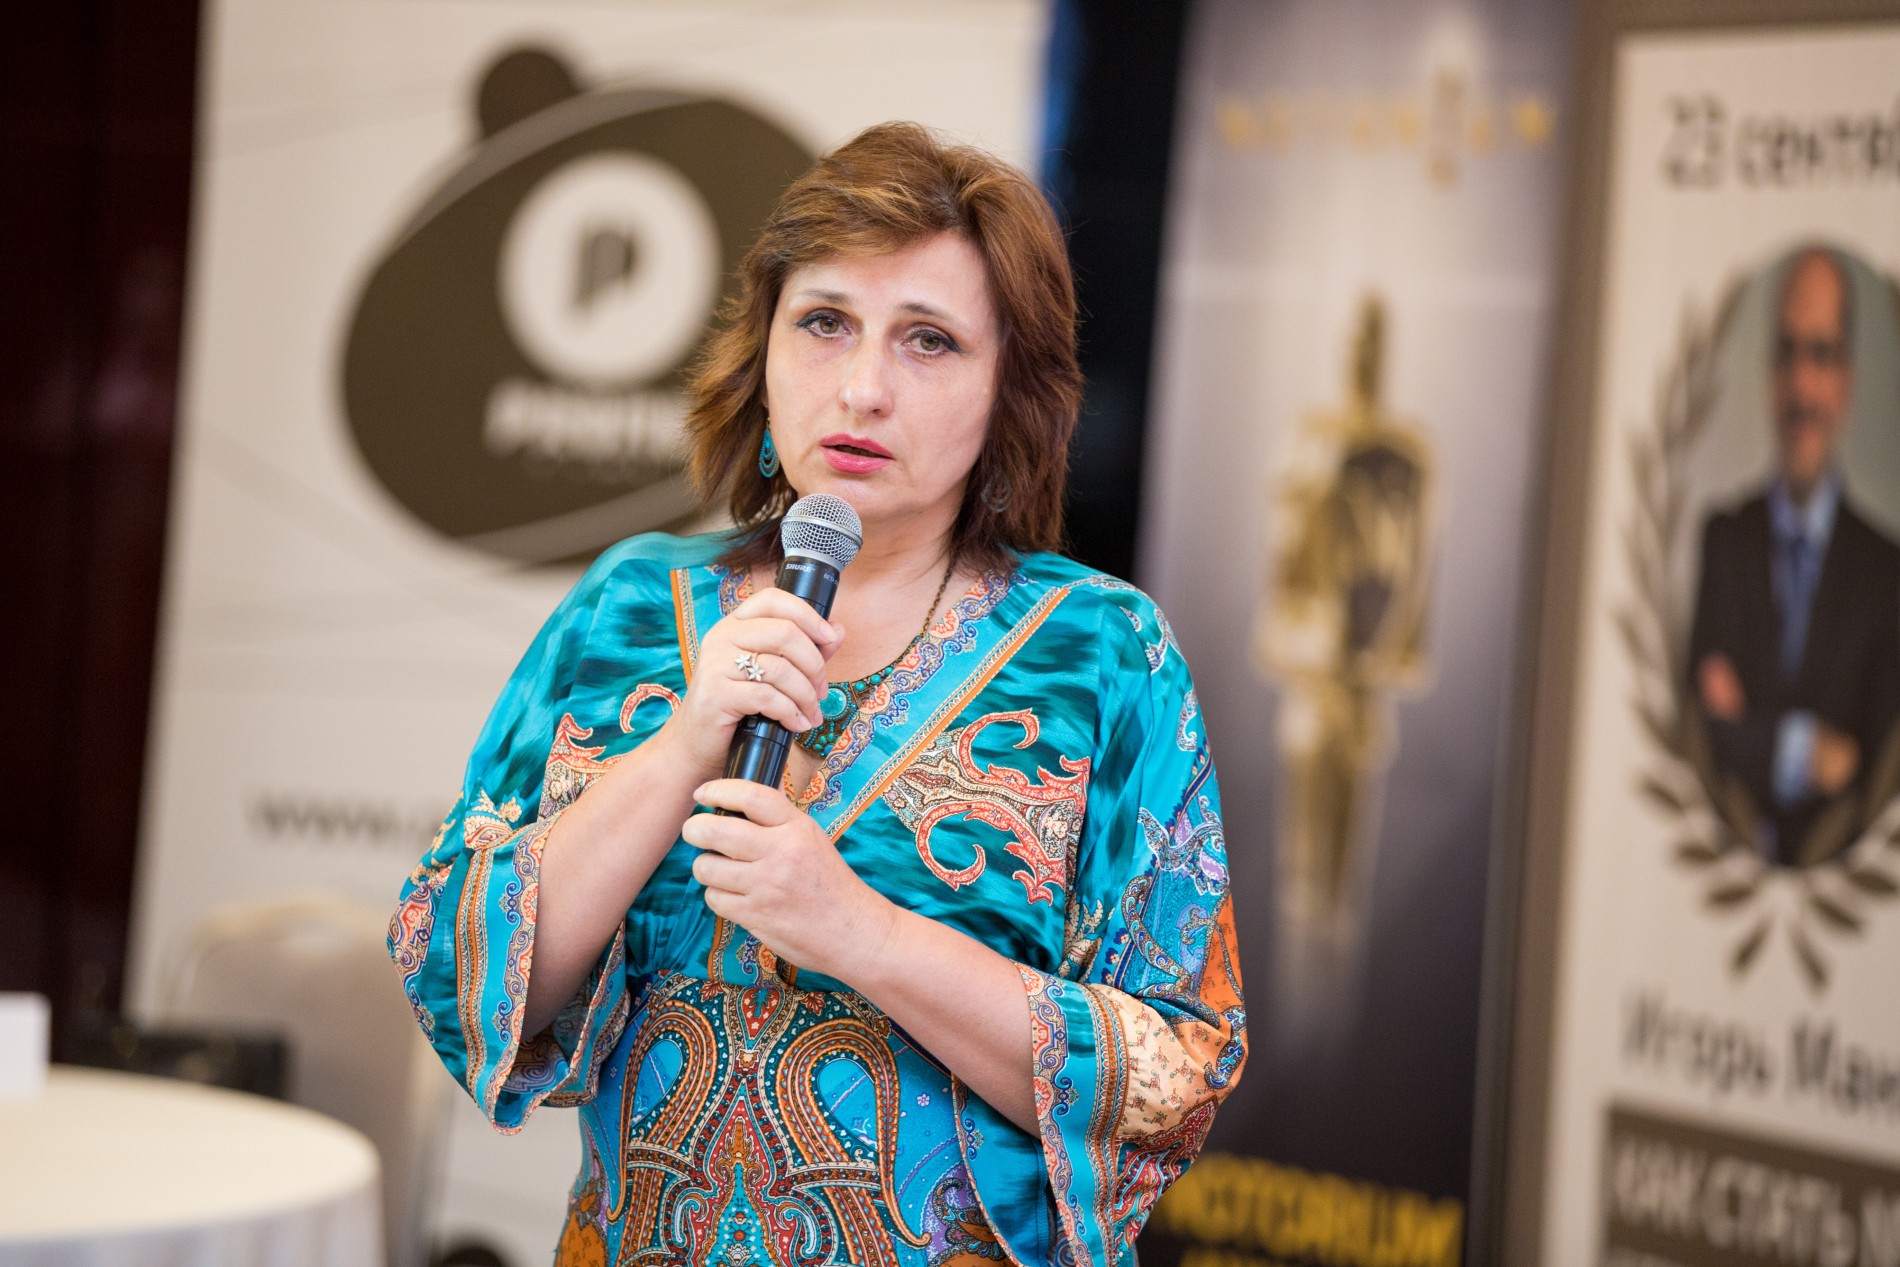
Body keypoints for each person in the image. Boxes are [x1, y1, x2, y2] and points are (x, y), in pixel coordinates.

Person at [389, 121, 1245, 1267]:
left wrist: (861, 932)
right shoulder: (630, 604)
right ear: (762, 349)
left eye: (929, 340)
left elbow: (1172, 1076)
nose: (862, 388)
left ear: (1009, 389)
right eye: (825, 322)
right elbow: (454, 970)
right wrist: (678, 750)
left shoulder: (1102, 651)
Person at [1689, 246, 1900, 868]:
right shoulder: (1724, 542)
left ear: (1848, 381)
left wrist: (1750, 731)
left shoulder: (1888, 573)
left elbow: (1876, 769)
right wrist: (1804, 751)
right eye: (1787, 353)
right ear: (1768, 374)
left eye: (1822, 354)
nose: (1802, 386)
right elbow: (1701, 734)